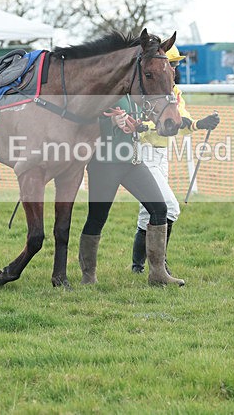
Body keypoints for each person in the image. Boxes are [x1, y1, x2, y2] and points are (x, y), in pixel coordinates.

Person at [78, 94, 185, 286]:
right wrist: (110, 121)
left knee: (160, 209)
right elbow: (82, 121)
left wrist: (137, 124)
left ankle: (158, 274)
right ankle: (88, 276)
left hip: (133, 162)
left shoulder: (134, 93)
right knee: (97, 218)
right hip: (105, 163)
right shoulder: (105, 88)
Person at [130, 46, 220, 274]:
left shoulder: (173, 91)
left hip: (162, 155)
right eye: (173, 64)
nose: (175, 68)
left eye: (176, 65)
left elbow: (181, 121)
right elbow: (146, 125)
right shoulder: (146, 90)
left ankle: (138, 266)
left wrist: (200, 123)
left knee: (147, 213)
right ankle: (159, 265)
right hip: (143, 151)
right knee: (170, 208)